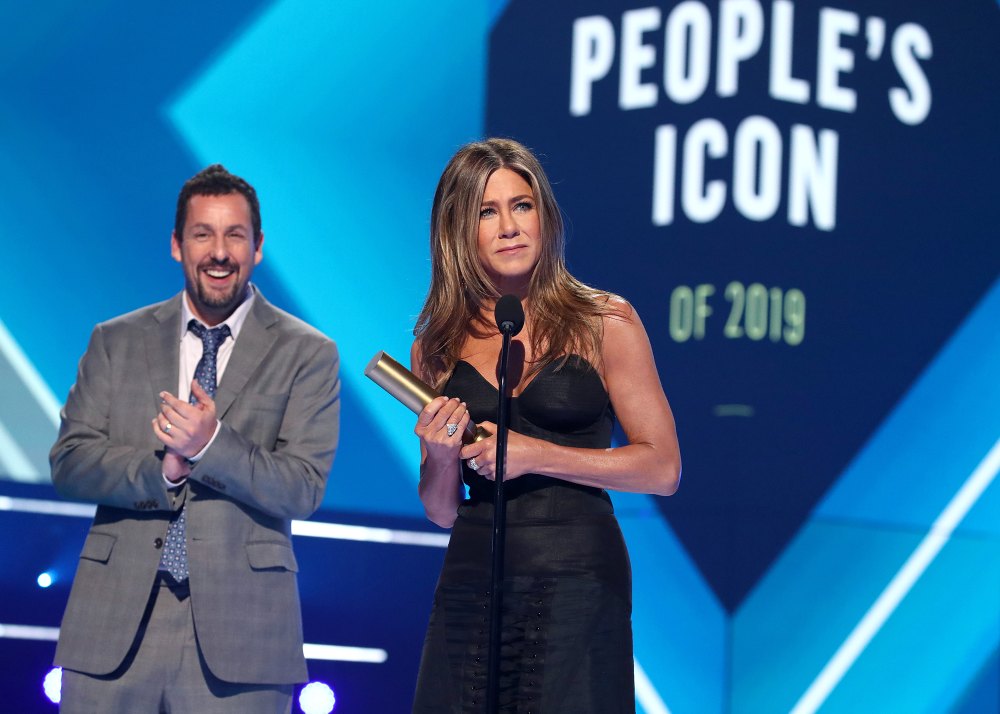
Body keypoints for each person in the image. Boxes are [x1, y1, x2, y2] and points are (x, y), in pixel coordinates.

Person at [50, 164, 340, 713]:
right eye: (202, 233)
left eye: (235, 235)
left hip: (243, 631)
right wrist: (164, 470)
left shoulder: (308, 352)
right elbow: (70, 462)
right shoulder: (116, 340)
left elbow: (303, 487)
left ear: (258, 247)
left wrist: (212, 448)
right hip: (113, 625)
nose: (219, 251)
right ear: (177, 245)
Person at [410, 138, 681, 713]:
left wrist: (537, 455)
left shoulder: (605, 320)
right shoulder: (435, 346)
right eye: (487, 211)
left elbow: (662, 467)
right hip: (472, 577)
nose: (509, 226)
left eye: (522, 205)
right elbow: (440, 509)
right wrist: (438, 456)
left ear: (544, 216)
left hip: (578, 576)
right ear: (459, 230)